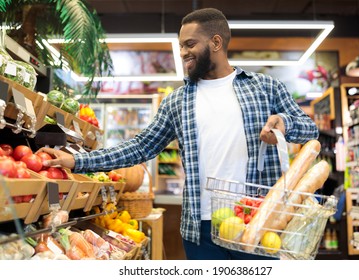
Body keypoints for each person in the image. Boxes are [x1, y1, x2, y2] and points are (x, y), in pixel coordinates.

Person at [39, 8, 319, 260]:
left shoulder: (265, 87)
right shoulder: (177, 101)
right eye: (181, 45)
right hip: (201, 229)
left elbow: (310, 129)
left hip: (258, 222)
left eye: (190, 44)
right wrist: (77, 161)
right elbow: (141, 146)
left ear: (216, 43)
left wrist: (284, 123)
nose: (183, 52)